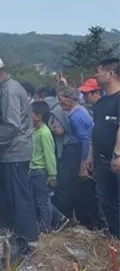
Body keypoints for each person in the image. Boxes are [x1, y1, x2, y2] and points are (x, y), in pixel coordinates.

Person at [0, 54, 37, 263]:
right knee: (6, 195)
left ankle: (27, 239)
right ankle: (9, 231)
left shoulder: (10, 90)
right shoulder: (1, 89)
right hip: (6, 152)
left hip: (15, 151)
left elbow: (12, 124)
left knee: (19, 195)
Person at [87, 58, 120, 238]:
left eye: (99, 72)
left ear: (110, 74)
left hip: (116, 159)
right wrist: (90, 156)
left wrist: (117, 154)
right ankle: (115, 235)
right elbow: (96, 130)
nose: (96, 75)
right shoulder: (100, 103)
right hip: (100, 160)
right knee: (106, 200)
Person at [55, 86, 94, 221]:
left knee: (67, 185)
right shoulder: (79, 111)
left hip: (76, 151)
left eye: (61, 99)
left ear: (69, 98)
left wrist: (83, 163)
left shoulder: (76, 116)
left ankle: (66, 216)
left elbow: (85, 139)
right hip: (77, 150)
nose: (59, 103)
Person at [29, 101, 68, 233]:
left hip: (41, 171)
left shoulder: (45, 133)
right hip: (33, 169)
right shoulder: (35, 130)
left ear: (38, 116)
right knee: (39, 199)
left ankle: (45, 227)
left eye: (31, 113)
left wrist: (52, 174)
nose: (29, 115)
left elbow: (50, 155)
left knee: (43, 201)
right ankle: (60, 218)